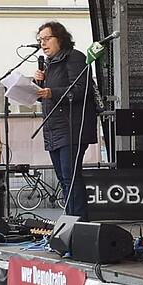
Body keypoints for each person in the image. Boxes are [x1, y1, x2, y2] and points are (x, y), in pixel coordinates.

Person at [32, 21, 98, 220]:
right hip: (54, 128)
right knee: (63, 178)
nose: (43, 44)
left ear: (60, 38)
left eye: (46, 39)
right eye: (39, 40)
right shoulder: (49, 64)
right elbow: (42, 95)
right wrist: (37, 83)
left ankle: (78, 222)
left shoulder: (75, 58)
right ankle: (71, 220)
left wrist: (51, 91)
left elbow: (80, 90)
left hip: (73, 127)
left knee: (70, 176)